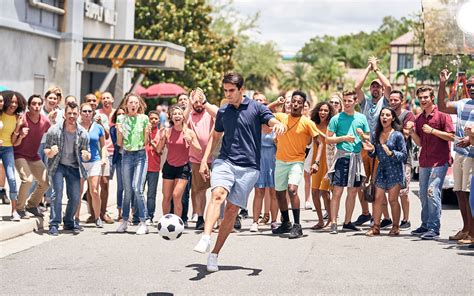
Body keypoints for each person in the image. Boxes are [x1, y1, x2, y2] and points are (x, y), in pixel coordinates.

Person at [193, 72, 286, 272]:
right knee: (217, 194)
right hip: (225, 161)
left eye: (231, 90)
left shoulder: (256, 107)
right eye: (225, 90)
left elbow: (271, 120)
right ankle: (206, 237)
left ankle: (215, 254)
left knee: (232, 212)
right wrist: (204, 160)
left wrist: (278, 125)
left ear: (241, 90)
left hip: (249, 167)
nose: (228, 94)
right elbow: (215, 136)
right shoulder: (224, 111)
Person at [270, 91, 322, 239]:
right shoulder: (281, 117)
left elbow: (320, 143)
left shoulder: (307, 123)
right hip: (280, 161)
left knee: (292, 190)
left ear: (303, 105)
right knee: (279, 193)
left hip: (297, 161)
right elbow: (263, 112)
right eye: (294, 101)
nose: (296, 104)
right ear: (290, 103)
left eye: (299, 102)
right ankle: (285, 222)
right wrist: (275, 103)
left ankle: (297, 226)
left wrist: (316, 162)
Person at [409, 85, 454, 240]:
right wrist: (412, 132)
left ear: (432, 97)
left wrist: (433, 131)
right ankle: (425, 224)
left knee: (432, 192)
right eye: (420, 97)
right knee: (423, 194)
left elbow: (451, 137)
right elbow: (420, 143)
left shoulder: (442, 115)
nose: (423, 100)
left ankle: (434, 228)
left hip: (440, 161)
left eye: (425, 97)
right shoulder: (419, 118)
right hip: (425, 161)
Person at [354, 56, 392, 228]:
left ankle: (386, 217)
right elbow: (356, 87)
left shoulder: (385, 102)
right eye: (373, 86)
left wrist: (376, 69)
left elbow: (390, 87)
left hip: (379, 147)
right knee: (362, 182)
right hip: (364, 146)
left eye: (378, 86)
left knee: (378, 183)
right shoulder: (366, 102)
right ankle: (365, 213)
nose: (375, 88)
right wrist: (368, 68)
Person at [326, 90, 370, 234]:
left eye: (349, 101)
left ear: (355, 101)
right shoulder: (336, 118)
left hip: (356, 158)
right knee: (337, 191)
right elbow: (328, 139)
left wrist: (362, 135)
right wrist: (343, 138)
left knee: (352, 192)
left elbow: (367, 138)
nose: (346, 103)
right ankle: (333, 222)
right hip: (341, 157)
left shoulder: (362, 118)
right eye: (344, 100)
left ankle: (347, 222)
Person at [438, 70, 474, 244]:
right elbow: (443, 106)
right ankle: (466, 228)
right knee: (459, 192)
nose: (472, 88)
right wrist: (443, 83)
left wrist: (471, 139)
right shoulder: (463, 103)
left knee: (469, 194)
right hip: (460, 153)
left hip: (472, 155)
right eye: (469, 85)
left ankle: (472, 233)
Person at [44, 102, 91, 235]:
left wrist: (86, 156)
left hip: (74, 167)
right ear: (64, 114)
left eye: (74, 113)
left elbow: (86, 153)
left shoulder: (83, 133)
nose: (71, 116)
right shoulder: (54, 130)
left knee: (75, 197)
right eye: (69, 113)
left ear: (78, 115)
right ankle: (54, 223)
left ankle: (69, 221)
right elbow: (46, 149)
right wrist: (51, 152)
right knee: (57, 194)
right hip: (58, 165)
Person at [361, 107, 407, 236]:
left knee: (393, 200)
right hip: (381, 169)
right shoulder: (376, 134)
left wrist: (392, 153)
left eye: (387, 115)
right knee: (377, 199)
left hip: (395, 170)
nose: (384, 117)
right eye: (382, 115)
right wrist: (370, 150)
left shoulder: (398, 135)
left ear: (393, 118)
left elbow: (404, 155)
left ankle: (396, 226)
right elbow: (374, 154)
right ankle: (376, 227)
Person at [115, 93, 151, 235]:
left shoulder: (144, 119)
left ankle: (143, 221)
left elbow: (146, 142)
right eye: (131, 102)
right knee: (127, 190)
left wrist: (147, 132)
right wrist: (119, 131)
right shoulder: (121, 119)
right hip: (127, 155)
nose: (133, 105)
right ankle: (124, 221)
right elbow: (119, 143)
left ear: (139, 105)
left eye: (136, 102)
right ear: (126, 104)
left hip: (140, 155)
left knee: (137, 188)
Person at [157, 105, 201, 219]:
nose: (177, 116)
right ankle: (165, 222)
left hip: (183, 167)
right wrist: (162, 139)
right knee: (166, 197)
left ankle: (177, 222)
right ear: (171, 117)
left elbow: (199, 150)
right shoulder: (167, 131)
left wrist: (190, 141)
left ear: (183, 117)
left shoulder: (189, 132)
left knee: (176, 196)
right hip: (169, 166)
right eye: (174, 114)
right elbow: (158, 150)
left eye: (179, 114)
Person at [184, 88, 217, 230]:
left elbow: (218, 114)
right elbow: (181, 121)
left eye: (200, 101)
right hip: (196, 159)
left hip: (214, 158)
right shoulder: (189, 114)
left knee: (217, 190)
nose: (198, 104)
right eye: (195, 101)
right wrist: (190, 104)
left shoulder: (209, 111)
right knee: (199, 190)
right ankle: (200, 218)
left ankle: (216, 217)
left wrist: (204, 102)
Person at [13, 95, 51, 219]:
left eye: (39, 104)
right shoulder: (21, 118)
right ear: (29, 106)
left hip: (34, 156)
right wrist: (19, 132)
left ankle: (32, 205)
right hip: (19, 154)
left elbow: (52, 135)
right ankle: (19, 208)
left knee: (45, 183)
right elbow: (12, 141)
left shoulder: (45, 121)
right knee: (28, 180)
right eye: (34, 104)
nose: (36, 106)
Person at [75, 103, 108, 228]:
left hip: (94, 161)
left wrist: (104, 158)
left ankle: (97, 216)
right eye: (84, 111)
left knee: (94, 190)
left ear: (93, 112)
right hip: (79, 162)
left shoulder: (98, 127)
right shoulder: (76, 127)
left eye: (89, 111)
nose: (87, 113)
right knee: (78, 191)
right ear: (80, 112)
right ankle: (76, 217)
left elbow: (103, 145)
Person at [250, 92, 279, 232]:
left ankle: (274, 221)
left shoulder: (274, 123)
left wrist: (277, 141)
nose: (259, 103)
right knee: (258, 192)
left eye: (262, 101)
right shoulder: (253, 123)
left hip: (273, 162)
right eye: (256, 100)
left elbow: (281, 147)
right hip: (258, 161)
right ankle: (255, 221)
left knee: (274, 193)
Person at [389, 90, 416, 230]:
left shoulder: (408, 114)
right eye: (391, 100)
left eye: (396, 100)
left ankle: (406, 219)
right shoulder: (387, 113)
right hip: (388, 160)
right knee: (390, 192)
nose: (393, 102)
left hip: (404, 159)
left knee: (403, 192)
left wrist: (390, 127)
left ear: (402, 100)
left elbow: (406, 134)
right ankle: (391, 220)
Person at [83, 93, 112, 224]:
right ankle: (93, 214)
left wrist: (100, 123)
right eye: (89, 101)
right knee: (91, 187)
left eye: (94, 101)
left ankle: (102, 212)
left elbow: (106, 136)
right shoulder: (82, 116)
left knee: (104, 183)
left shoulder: (102, 116)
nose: (93, 103)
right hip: (87, 158)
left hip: (102, 155)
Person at [0, 91, 27, 221]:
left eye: (16, 102)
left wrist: (18, 129)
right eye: (11, 101)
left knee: (11, 178)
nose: (13, 104)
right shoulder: (0, 113)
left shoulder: (17, 118)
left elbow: (14, 142)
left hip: (7, 149)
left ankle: (14, 210)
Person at [309, 102, 334, 229]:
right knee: (314, 192)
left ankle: (331, 219)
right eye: (321, 110)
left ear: (329, 113)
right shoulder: (313, 125)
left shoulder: (332, 126)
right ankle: (320, 220)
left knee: (325, 192)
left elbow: (331, 140)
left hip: (328, 161)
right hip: (316, 161)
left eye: (326, 110)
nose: (323, 112)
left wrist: (320, 133)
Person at [97, 92, 116, 224]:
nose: (105, 100)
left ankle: (102, 211)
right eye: (103, 98)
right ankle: (98, 213)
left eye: (108, 98)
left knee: (105, 183)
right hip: (100, 152)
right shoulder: (97, 114)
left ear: (113, 99)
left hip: (114, 152)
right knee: (99, 183)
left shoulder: (118, 113)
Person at [143, 110, 163, 224]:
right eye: (151, 118)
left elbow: (160, 151)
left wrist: (152, 141)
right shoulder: (144, 131)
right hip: (142, 166)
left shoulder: (161, 133)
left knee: (151, 194)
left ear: (159, 120)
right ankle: (138, 215)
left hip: (154, 167)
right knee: (139, 191)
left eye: (156, 118)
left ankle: (149, 216)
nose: (153, 120)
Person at [110, 108, 125, 221]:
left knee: (131, 186)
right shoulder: (113, 129)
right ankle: (120, 212)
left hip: (131, 157)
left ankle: (132, 212)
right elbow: (117, 144)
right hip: (120, 158)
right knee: (120, 186)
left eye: (123, 114)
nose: (121, 116)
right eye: (119, 114)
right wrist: (119, 131)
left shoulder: (132, 127)